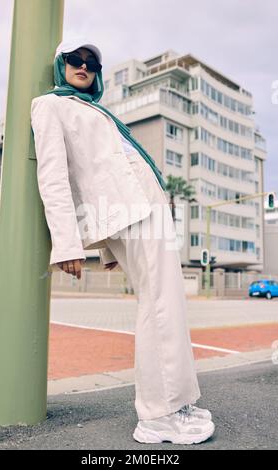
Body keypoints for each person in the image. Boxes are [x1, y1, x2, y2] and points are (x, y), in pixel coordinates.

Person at [30, 37, 215, 445]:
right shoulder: (50, 106)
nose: (84, 67)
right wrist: (68, 243)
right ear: (60, 64)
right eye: (74, 60)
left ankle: (177, 402)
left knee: (170, 305)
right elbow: (55, 178)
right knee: (160, 305)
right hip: (133, 214)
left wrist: (112, 246)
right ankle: (157, 415)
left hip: (146, 210)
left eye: (91, 63)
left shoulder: (94, 109)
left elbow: (110, 172)